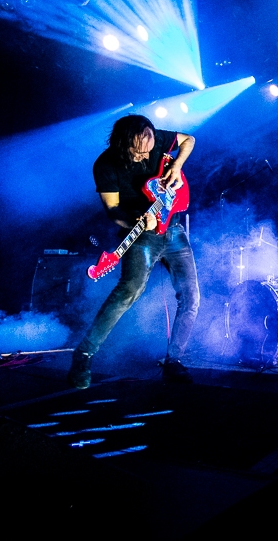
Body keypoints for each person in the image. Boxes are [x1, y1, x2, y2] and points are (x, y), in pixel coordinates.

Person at [67, 115, 200, 389]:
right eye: (139, 150)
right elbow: (112, 210)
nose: (145, 154)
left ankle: (173, 361)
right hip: (141, 234)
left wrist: (175, 166)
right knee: (129, 291)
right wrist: (137, 222)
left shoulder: (152, 137)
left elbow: (189, 140)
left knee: (191, 296)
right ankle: (83, 354)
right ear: (123, 144)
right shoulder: (105, 165)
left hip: (173, 230)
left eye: (150, 148)